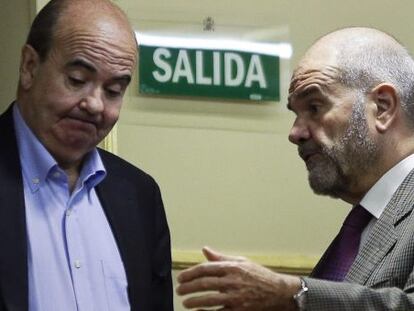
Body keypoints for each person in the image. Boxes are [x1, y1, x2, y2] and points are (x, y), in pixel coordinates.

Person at [176, 27, 414, 310]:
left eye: (314, 107)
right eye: (295, 113)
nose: (295, 133)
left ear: (383, 107)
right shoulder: (365, 221)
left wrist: (293, 297)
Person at [0, 0, 173, 310]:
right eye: (77, 80)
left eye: (113, 90)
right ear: (29, 67)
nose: (95, 104)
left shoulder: (140, 195)